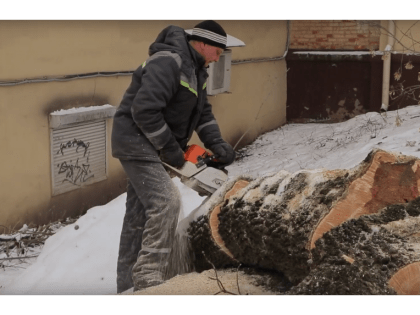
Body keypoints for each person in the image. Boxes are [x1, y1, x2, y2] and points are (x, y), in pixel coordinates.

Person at [111, 19, 236, 293]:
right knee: (167, 202)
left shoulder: (197, 70)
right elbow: (144, 111)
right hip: (136, 140)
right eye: (217, 51)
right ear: (203, 44)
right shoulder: (169, 62)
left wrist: (217, 144)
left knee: (138, 215)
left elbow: (202, 114)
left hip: (153, 143)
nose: (219, 57)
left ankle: (127, 287)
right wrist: (171, 150)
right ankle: (148, 278)